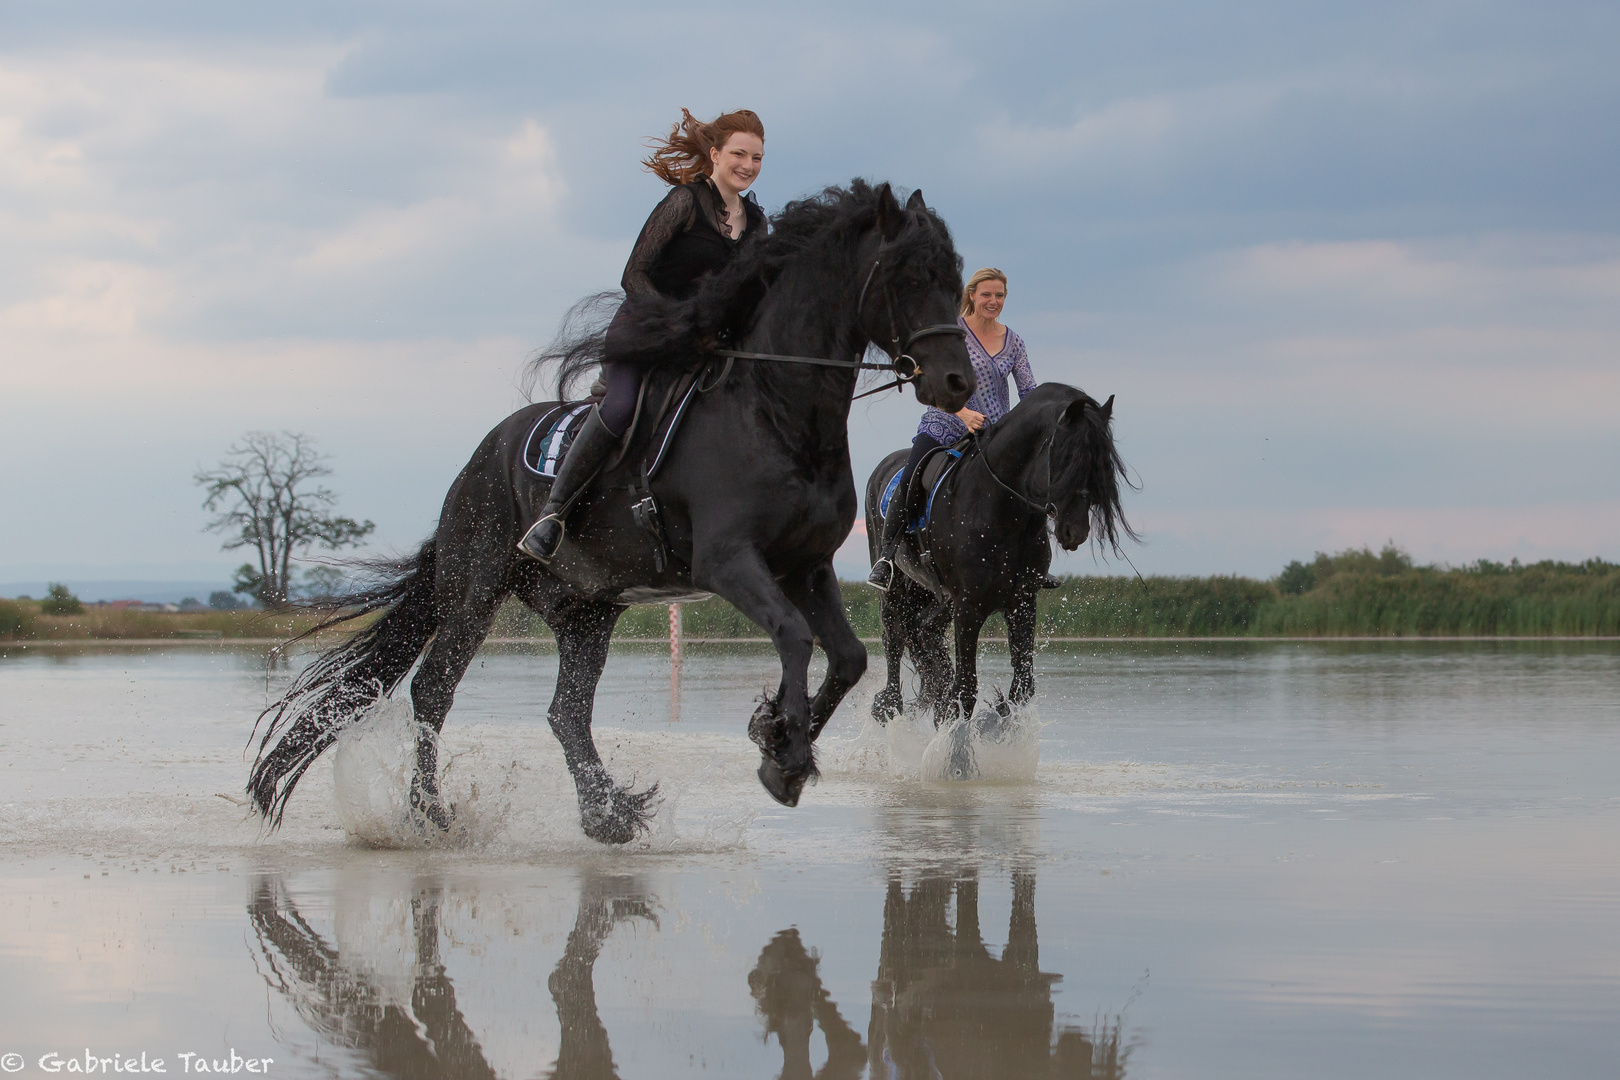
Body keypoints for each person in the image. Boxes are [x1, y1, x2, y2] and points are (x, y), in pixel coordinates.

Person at [519, 108, 768, 562]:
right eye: (739, 154)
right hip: (646, 331)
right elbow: (633, 275)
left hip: (706, 347)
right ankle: (552, 514)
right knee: (619, 407)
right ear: (714, 154)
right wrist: (678, 324)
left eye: (756, 158)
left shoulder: (756, 222)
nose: (747, 165)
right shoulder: (683, 203)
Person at [868, 267, 1058, 591]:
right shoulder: (952, 333)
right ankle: (886, 558)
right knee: (913, 474)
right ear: (972, 295)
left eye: (999, 295)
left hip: (996, 431)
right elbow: (930, 380)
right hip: (946, 421)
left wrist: (1041, 424)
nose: (993, 301)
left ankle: (1035, 562)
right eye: (987, 294)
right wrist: (962, 412)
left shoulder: (1014, 342)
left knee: (1034, 482)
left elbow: (1028, 391)